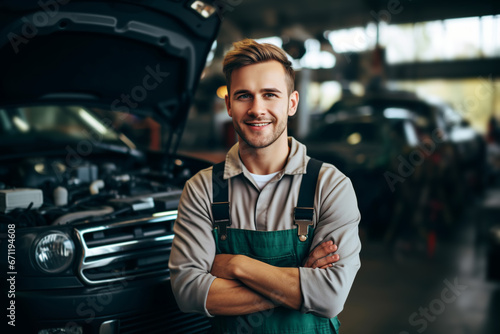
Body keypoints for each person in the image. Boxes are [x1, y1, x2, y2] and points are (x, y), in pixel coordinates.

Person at [169, 39, 361, 333]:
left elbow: (330, 297)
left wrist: (235, 266)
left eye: (270, 94)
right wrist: (300, 282)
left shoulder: (330, 186)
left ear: (292, 103)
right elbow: (189, 293)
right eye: (244, 95)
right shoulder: (202, 189)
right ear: (229, 105)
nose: (257, 109)